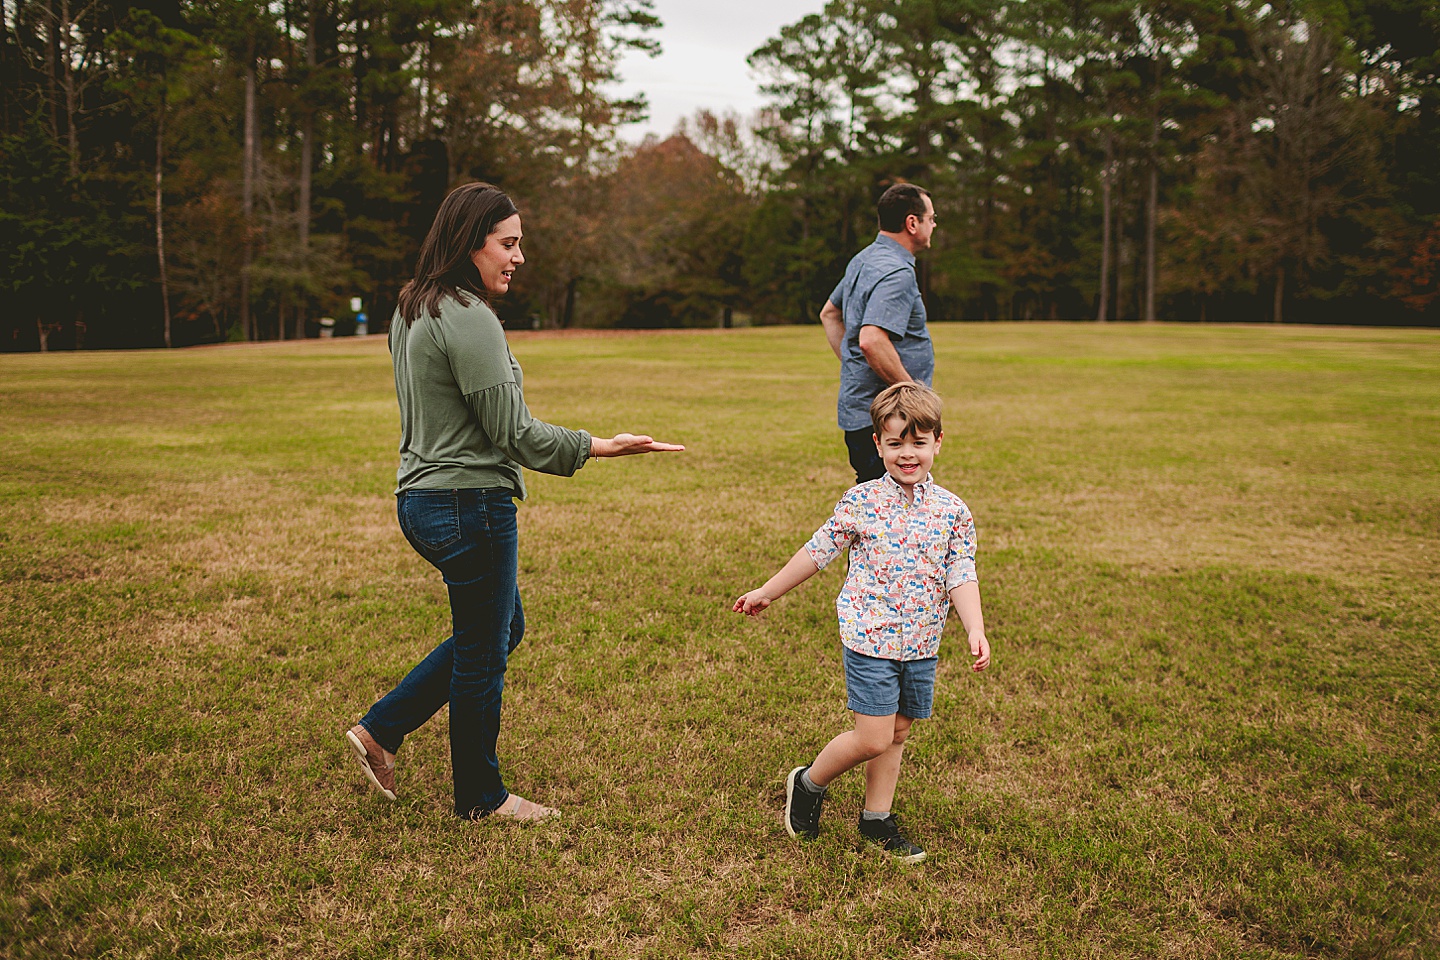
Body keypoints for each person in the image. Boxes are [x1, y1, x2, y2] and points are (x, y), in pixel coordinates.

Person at [345, 182, 684, 821]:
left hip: (422, 499)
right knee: (482, 651)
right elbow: (514, 434)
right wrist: (601, 445)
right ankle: (481, 797)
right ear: (471, 243)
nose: (518, 256)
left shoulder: (413, 307)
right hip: (469, 503)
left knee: (501, 629)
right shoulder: (469, 316)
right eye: (508, 243)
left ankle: (380, 731)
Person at [733, 382, 989, 862]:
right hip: (869, 637)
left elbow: (962, 573)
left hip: (921, 644)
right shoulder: (862, 502)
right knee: (872, 736)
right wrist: (768, 590)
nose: (907, 454)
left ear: (938, 442)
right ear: (877, 444)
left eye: (918, 443)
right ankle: (809, 783)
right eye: (895, 443)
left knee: (897, 733)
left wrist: (974, 625)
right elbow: (818, 551)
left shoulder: (953, 511)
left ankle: (876, 820)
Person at [819, 183, 938, 485]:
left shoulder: (863, 260)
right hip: (890, 421)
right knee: (893, 520)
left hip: (861, 416)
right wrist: (913, 395)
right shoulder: (896, 272)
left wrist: (854, 364)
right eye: (931, 218)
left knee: (875, 512)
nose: (933, 224)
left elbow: (830, 314)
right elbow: (871, 340)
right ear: (912, 223)